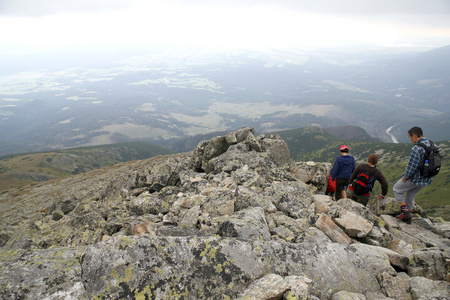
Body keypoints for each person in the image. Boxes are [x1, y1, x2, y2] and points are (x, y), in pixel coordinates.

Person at [394, 126, 436, 224]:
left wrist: (406, 177)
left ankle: (405, 212)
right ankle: (409, 216)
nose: (411, 140)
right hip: (427, 178)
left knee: (396, 189)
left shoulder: (417, 148)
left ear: (414, 136)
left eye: (410, 138)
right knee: (410, 194)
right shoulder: (433, 144)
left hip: (416, 178)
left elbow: (412, 166)